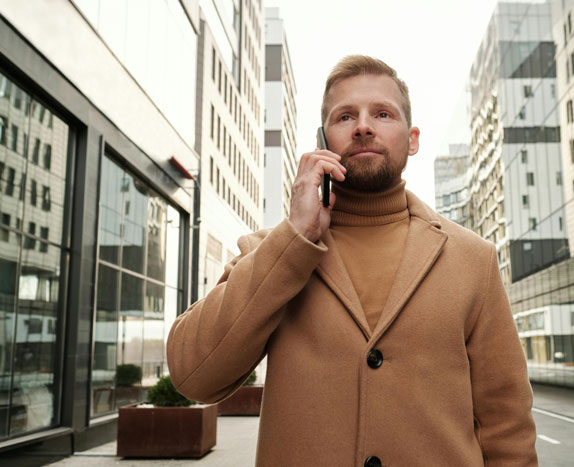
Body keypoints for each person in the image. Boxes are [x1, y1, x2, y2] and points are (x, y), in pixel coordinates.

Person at [167, 55, 538, 467]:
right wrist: (294, 239)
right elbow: (192, 374)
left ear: (412, 139)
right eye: (345, 117)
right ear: (321, 140)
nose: (363, 126)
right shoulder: (271, 251)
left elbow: (508, 428)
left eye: (382, 113)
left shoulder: (474, 260)